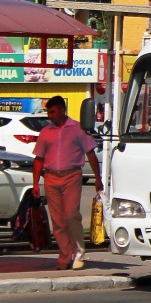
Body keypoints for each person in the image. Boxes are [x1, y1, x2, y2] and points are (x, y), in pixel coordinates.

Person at [31, 96, 102, 270]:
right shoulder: (46, 132)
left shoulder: (78, 128)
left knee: (71, 215)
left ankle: (78, 252)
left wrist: (98, 178)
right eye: (48, 112)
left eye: (53, 112)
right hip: (51, 177)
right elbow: (39, 159)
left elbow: (91, 154)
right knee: (58, 220)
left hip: (72, 176)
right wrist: (35, 184)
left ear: (62, 110)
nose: (50, 116)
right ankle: (65, 255)